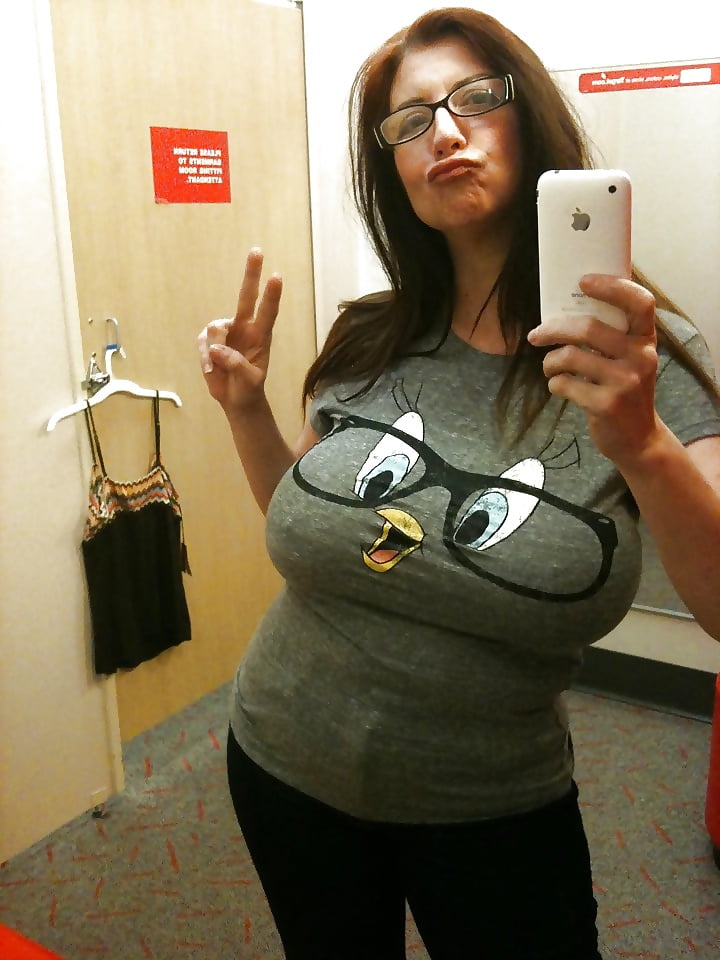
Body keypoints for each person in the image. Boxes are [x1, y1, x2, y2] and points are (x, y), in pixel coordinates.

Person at [197, 8, 720, 959]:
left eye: (476, 99)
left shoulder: (643, 359)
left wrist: (644, 445)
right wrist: (245, 410)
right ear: (393, 168)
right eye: (411, 119)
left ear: (533, 121)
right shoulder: (369, 334)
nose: (443, 131)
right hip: (281, 759)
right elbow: (307, 525)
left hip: (491, 810)